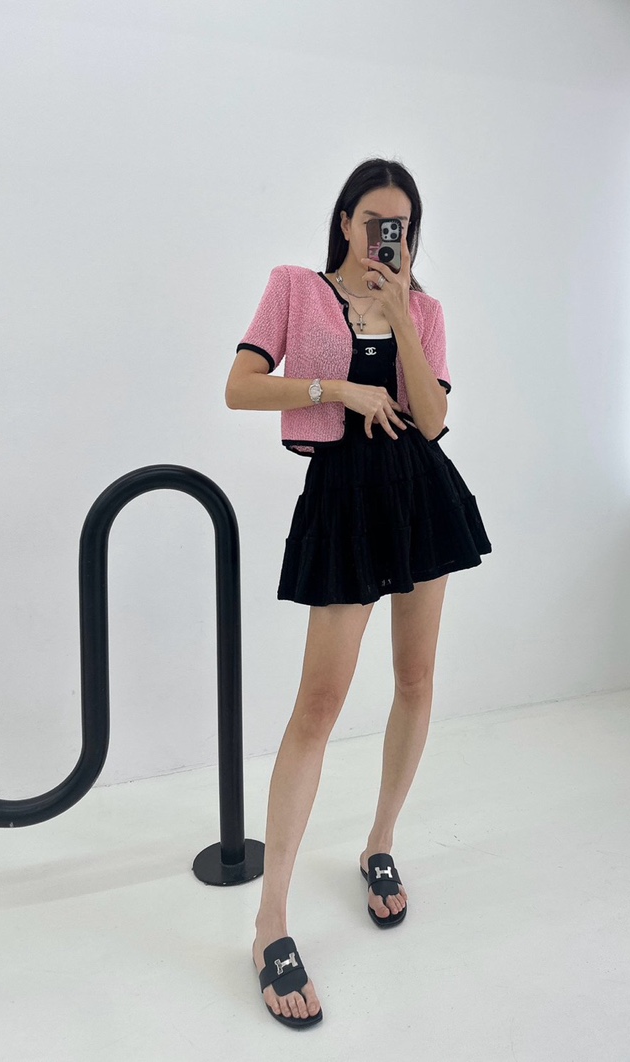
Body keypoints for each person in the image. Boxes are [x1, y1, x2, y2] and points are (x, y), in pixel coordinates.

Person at [225, 157, 491, 1029]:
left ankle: (380, 843)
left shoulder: (427, 310)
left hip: (419, 492)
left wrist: (403, 311)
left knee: (415, 680)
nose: (388, 236)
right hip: (342, 495)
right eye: (375, 220)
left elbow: (434, 420)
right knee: (319, 705)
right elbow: (238, 388)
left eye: (401, 225)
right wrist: (334, 387)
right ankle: (270, 923)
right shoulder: (294, 288)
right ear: (345, 219)